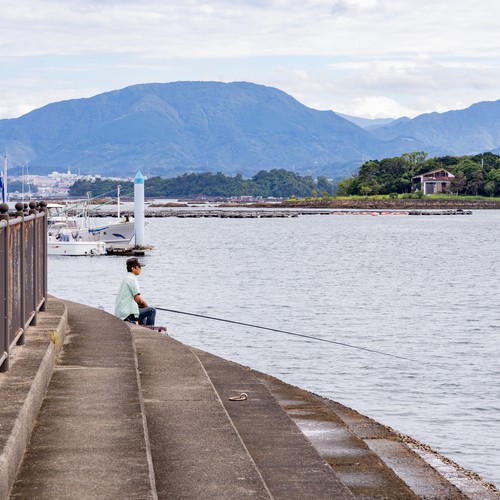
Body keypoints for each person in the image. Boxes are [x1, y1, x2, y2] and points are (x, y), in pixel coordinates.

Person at [115, 257, 156, 326]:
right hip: (127, 315)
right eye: (139, 267)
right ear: (133, 269)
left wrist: (142, 305)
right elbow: (137, 299)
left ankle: (143, 326)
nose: (140, 269)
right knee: (152, 310)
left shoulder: (126, 278)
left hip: (121, 313)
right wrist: (144, 304)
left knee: (140, 308)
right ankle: (150, 331)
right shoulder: (132, 279)